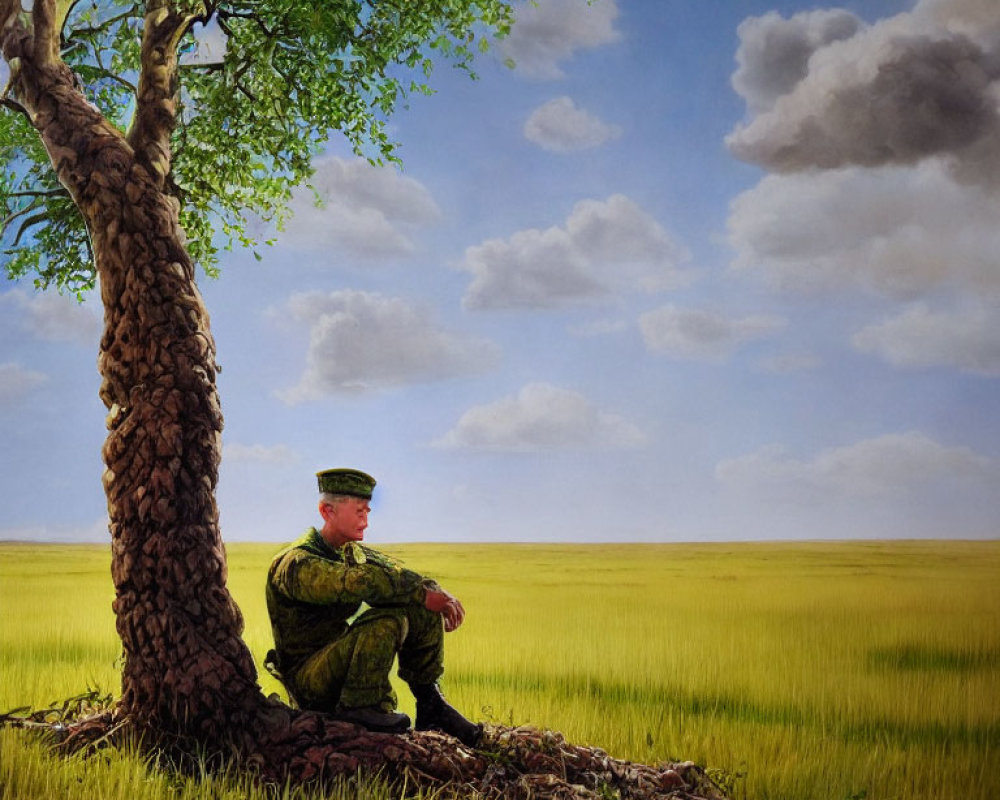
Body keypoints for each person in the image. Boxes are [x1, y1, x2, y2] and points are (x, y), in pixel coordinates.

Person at [264, 468, 481, 746]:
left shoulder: (351, 551)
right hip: (310, 680)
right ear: (327, 511)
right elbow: (355, 582)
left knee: (418, 605)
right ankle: (358, 707)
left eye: (367, 511)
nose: (366, 521)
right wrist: (418, 592)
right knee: (388, 620)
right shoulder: (295, 563)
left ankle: (431, 704)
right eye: (359, 512)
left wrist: (434, 591)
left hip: (338, 663)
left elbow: (396, 571)